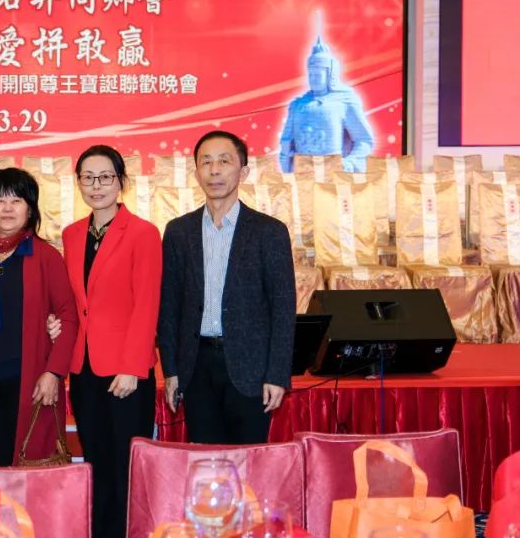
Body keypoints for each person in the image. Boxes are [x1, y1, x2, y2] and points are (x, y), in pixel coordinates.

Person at [158, 131, 296, 445]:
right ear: (196, 173)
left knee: (248, 460)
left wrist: (277, 374)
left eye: (224, 161)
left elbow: (283, 309)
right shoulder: (179, 231)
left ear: (243, 172)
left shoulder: (269, 232)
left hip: (251, 370)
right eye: (206, 162)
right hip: (196, 368)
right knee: (205, 461)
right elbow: (169, 306)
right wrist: (171, 370)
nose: (214, 170)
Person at [62, 145, 161, 538]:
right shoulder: (72, 235)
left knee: (125, 466)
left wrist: (133, 367)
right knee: (96, 462)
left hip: (126, 372)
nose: (96, 185)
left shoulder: (142, 233)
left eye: (105, 177)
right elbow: (76, 302)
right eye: (88, 177)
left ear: (121, 181)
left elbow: (147, 303)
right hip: (84, 368)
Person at [0, 168, 78, 468]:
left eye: (16, 200)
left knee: (28, 469)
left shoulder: (47, 257)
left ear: (31, 208)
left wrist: (54, 373)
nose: (8, 208)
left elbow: (68, 317)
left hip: (31, 383)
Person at [278, 32, 375, 173]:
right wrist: (287, 160)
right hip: (302, 174)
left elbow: (364, 140)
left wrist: (349, 163)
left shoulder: (344, 102)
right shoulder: (298, 105)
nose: (313, 79)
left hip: (333, 174)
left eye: (317, 75)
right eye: (311, 74)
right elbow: (286, 144)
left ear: (330, 74)